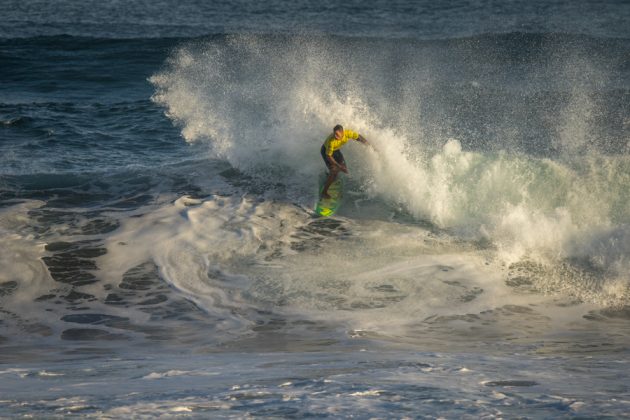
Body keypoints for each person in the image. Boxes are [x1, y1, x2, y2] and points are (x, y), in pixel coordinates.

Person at [320, 124, 370, 199]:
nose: (335, 137)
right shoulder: (331, 141)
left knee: (343, 168)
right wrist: (338, 166)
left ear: (342, 133)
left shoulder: (347, 133)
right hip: (326, 152)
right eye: (334, 134)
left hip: (336, 150)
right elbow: (329, 156)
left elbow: (358, 137)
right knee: (334, 170)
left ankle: (329, 176)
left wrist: (369, 146)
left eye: (337, 135)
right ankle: (324, 192)